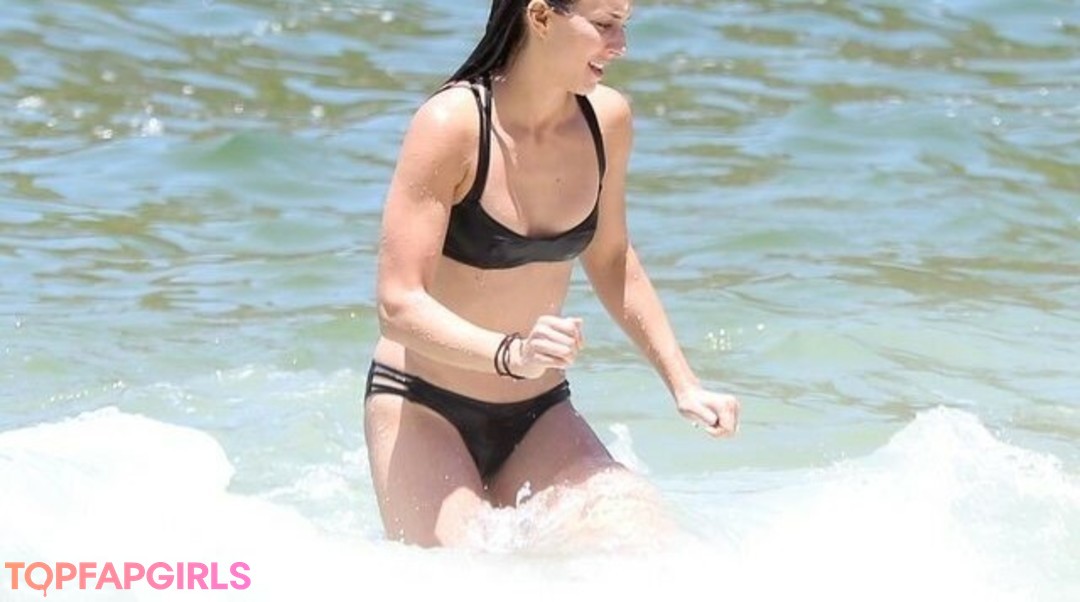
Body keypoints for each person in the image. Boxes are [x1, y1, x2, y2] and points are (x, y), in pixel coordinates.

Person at [363, 0, 740, 548]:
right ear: (540, 17)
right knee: (467, 575)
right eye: (605, 25)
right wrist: (511, 353)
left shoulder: (606, 120)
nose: (620, 45)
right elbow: (398, 305)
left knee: (647, 543)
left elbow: (612, 259)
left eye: (624, 26)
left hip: (537, 412)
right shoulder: (452, 124)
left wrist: (683, 384)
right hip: (424, 405)